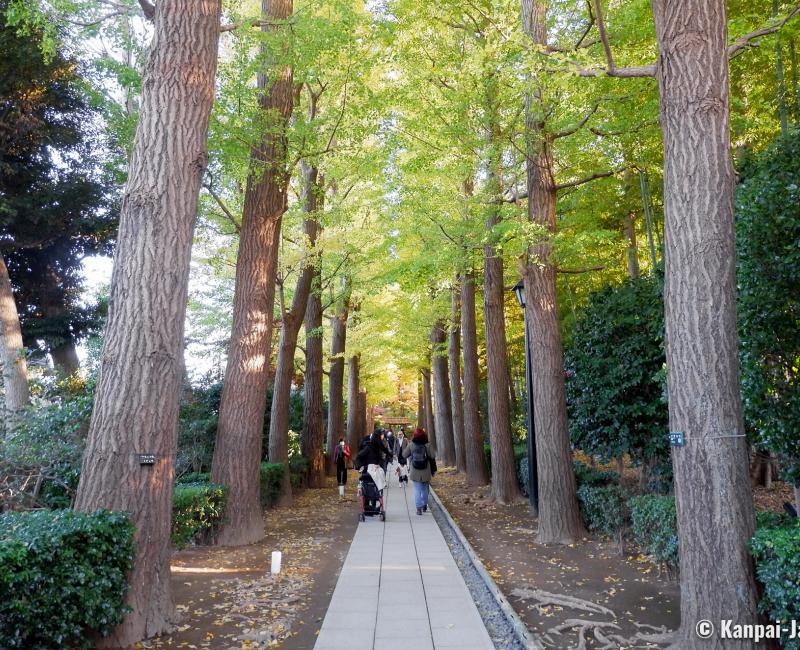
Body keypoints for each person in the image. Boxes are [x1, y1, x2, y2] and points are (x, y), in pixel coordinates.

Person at [403, 428, 436, 515]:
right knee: (425, 488)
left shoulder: (411, 445)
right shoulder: (427, 445)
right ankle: (424, 505)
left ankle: (418, 508)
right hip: (426, 470)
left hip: (415, 470)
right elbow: (433, 455)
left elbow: (404, 454)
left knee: (417, 489)